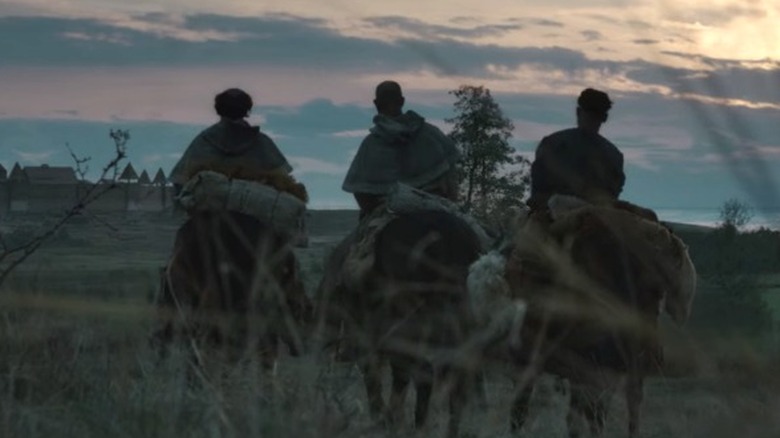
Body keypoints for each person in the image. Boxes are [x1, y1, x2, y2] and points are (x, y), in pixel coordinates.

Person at [342, 80, 461, 219]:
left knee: (359, 240)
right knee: (479, 236)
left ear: (376, 103)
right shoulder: (431, 134)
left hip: (387, 213)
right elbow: (451, 179)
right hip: (438, 207)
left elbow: (361, 194)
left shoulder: (370, 144)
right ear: (402, 101)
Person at [169, 88, 296, 198]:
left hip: (209, 213)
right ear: (247, 109)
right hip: (253, 213)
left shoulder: (204, 140)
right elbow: (282, 180)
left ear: (218, 109)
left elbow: (180, 181)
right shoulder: (261, 141)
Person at [527, 88, 625, 213]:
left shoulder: (551, 144)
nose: (590, 120)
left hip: (585, 217)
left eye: (594, 116)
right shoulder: (614, 155)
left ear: (578, 112)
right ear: (604, 118)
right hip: (555, 214)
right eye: (591, 115)